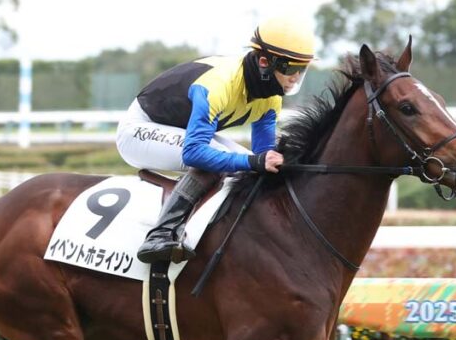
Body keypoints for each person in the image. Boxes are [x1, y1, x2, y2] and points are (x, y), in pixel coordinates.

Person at [116, 15, 316, 263]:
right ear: (264, 62)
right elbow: (194, 152)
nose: (295, 76)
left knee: (250, 162)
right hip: (139, 131)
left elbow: (263, 155)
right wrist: (254, 162)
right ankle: (161, 234)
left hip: (178, 132)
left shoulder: (271, 98)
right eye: (290, 68)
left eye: (301, 69)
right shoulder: (219, 84)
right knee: (220, 158)